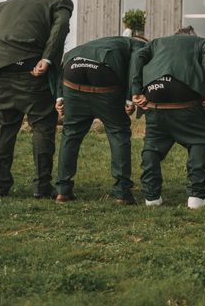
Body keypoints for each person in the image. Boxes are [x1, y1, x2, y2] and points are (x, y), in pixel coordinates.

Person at [0, 0, 73, 198]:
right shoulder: (59, 3)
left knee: (5, 127)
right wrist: (47, 58)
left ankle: (0, 186)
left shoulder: (4, 6)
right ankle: (42, 186)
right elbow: (60, 28)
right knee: (43, 126)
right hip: (32, 72)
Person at [54, 36, 146, 204]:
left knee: (71, 134)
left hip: (72, 70)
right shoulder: (139, 45)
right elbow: (135, 66)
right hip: (103, 74)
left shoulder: (100, 42)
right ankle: (122, 193)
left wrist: (59, 97)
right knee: (119, 133)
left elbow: (65, 60)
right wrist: (129, 98)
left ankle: (63, 191)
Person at [131, 26, 205, 209]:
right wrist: (203, 90)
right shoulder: (202, 42)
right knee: (199, 140)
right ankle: (196, 197)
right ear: (191, 36)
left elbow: (138, 56)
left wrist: (136, 90)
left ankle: (152, 196)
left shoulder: (157, 42)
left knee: (152, 145)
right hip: (184, 91)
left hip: (154, 91)